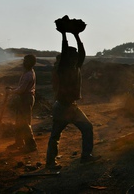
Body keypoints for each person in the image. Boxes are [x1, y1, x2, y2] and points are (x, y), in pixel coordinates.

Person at [46, 19, 100, 170]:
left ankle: (85, 157)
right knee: (55, 136)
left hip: (71, 107)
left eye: (76, 55)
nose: (77, 56)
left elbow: (82, 52)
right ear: (68, 57)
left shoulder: (75, 66)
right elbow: (64, 52)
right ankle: (50, 163)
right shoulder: (62, 68)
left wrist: (76, 36)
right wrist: (64, 35)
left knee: (87, 128)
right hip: (63, 107)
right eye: (73, 55)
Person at [6, 54, 38, 153]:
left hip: (26, 99)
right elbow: (21, 88)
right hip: (24, 98)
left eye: (25, 60)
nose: (23, 62)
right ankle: (19, 142)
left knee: (24, 122)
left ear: (29, 62)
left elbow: (22, 89)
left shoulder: (28, 74)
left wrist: (11, 91)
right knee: (19, 121)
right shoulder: (27, 72)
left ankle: (31, 145)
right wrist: (13, 89)